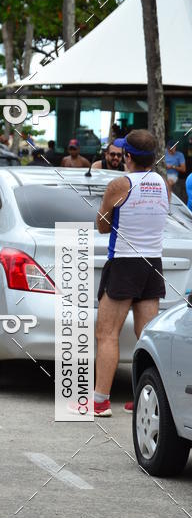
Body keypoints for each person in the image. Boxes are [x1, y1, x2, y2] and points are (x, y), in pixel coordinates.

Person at [94, 129, 168, 416]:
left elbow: (102, 225)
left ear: (127, 156)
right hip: (153, 263)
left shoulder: (119, 184)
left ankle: (100, 401)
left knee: (107, 333)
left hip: (124, 262)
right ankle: (143, 399)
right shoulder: (162, 183)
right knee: (146, 335)